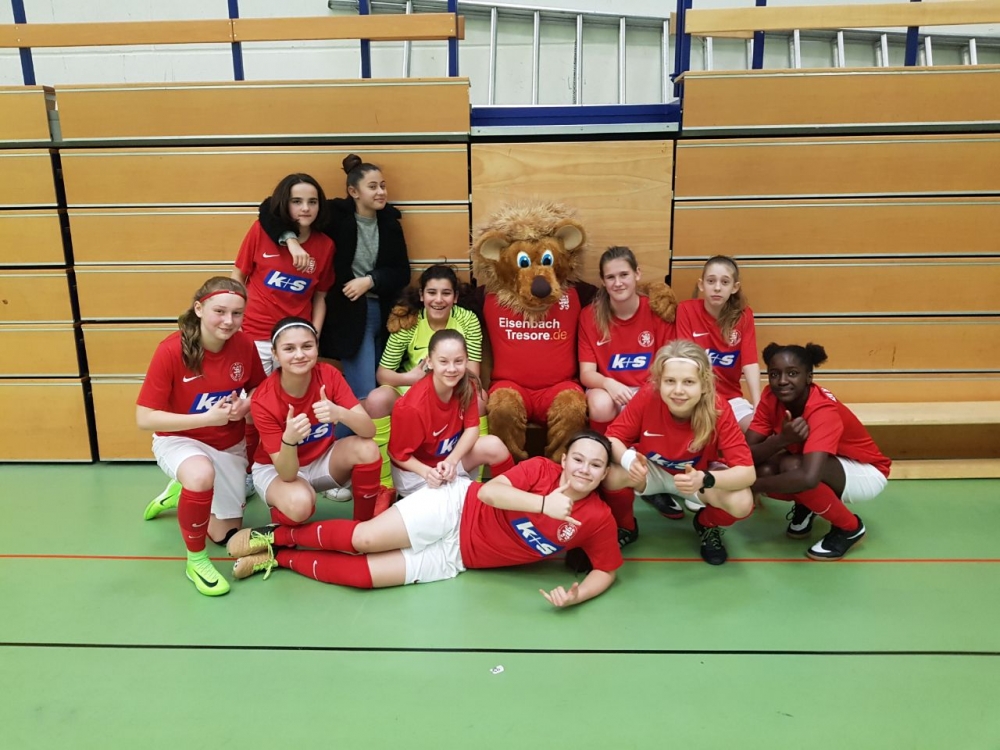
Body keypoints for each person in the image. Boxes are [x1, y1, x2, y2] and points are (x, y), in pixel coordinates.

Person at [226, 431, 623, 608]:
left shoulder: (598, 518)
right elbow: (489, 493)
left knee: (362, 577)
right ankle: (279, 535)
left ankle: (280, 558)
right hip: (455, 506)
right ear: (564, 459)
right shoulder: (540, 470)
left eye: (595, 465)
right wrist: (543, 505)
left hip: (457, 558)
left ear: (605, 473)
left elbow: (605, 570)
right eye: (578, 459)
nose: (584, 470)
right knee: (364, 539)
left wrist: (577, 596)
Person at [136, 277, 266, 596]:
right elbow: (144, 417)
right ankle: (196, 560)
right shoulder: (170, 350)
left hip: (227, 443)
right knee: (200, 474)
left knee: (225, 535)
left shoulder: (244, 345)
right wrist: (206, 418)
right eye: (219, 311)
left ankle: (182, 492)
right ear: (199, 309)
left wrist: (246, 404)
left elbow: (260, 389)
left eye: (237, 313)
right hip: (179, 438)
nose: (228, 321)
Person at [258, 154, 410, 404]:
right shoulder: (336, 215)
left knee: (380, 388)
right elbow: (268, 207)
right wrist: (291, 240)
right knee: (363, 391)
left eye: (383, 186)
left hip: (384, 312)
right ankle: (351, 429)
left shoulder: (390, 222)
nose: (381, 192)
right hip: (349, 313)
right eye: (373, 186)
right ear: (354, 191)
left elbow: (401, 272)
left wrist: (371, 280)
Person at [605, 340, 756, 565]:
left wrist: (705, 478)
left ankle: (706, 524)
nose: (678, 390)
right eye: (670, 381)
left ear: (704, 385)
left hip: (695, 477)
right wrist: (628, 461)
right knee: (609, 474)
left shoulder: (718, 408)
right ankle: (626, 526)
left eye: (688, 382)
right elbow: (611, 438)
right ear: (659, 382)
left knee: (742, 501)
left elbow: (747, 473)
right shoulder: (648, 396)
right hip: (652, 471)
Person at [747, 342, 891, 561]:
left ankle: (850, 528)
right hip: (824, 463)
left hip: (866, 472)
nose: (782, 381)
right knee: (764, 469)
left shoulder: (822, 410)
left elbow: (808, 477)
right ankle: (808, 505)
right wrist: (781, 440)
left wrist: (753, 486)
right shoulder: (770, 397)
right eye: (774, 374)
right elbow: (745, 455)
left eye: (792, 373)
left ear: (809, 377)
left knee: (793, 468)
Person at [249, 317, 394, 526]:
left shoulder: (329, 375)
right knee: (300, 504)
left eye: (307, 346)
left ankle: (363, 526)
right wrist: (289, 440)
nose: (299, 354)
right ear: (275, 354)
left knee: (367, 449)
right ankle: (280, 530)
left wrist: (340, 413)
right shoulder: (263, 399)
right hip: (278, 469)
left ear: (317, 347)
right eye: (289, 349)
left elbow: (369, 430)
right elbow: (287, 474)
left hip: (321, 459)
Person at [578, 246, 676, 539]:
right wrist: (610, 384)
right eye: (610, 277)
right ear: (603, 281)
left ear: (637, 274)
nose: (618, 282)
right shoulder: (590, 316)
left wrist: (645, 393)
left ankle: (652, 482)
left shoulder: (655, 312)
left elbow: (668, 366)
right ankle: (605, 463)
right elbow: (586, 373)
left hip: (649, 391)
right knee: (598, 403)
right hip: (612, 389)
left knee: (666, 400)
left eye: (624, 274)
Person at [367, 264, 486, 487]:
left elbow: (473, 373)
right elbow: (383, 373)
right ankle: (384, 485)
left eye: (446, 293)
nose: (438, 300)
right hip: (411, 390)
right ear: (422, 295)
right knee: (376, 399)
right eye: (432, 292)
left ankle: (476, 479)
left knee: (479, 397)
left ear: (455, 297)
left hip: (453, 388)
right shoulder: (408, 320)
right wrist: (411, 378)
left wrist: (444, 376)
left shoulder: (468, 320)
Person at [389, 330, 512, 497]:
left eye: (458, 361)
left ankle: (510, 499)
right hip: (417, 474)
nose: (452, 369)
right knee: (456, 505)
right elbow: (397, 454)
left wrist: (451, 461)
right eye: (443, 361)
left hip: (449, 462)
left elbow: (472, 429)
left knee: (493, 445)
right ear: (429, 362)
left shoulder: (466, 385)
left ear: (467, 360)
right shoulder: (412, 406)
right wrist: (428, 473)